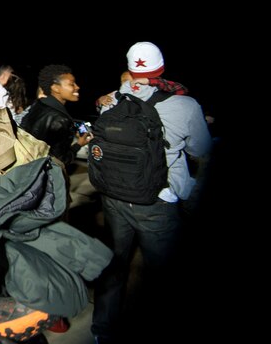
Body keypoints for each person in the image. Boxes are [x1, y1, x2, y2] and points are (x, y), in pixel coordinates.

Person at [91, 42, 212, 344]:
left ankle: (101, 332)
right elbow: (201, 150)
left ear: (130, 69)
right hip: (158, 202)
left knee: (115, 264)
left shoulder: (111, 101)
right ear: (161, 68)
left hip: (114, 196)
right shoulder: (185, 105)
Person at [20, 63, 90, 172]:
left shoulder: (38, 104)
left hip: (24, 166)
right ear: (55, 88)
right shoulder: (61, 119)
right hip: (42, 174)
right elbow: (61, 161)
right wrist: (79, 144)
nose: (77, 87)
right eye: (72, 84)